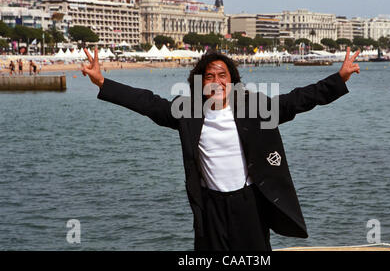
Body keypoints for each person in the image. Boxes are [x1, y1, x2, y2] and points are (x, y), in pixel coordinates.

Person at [81, 47, 360, 251]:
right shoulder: (187, 113)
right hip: (210, 204)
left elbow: (296, 100)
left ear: (232, 81)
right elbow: (147, 102)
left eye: (222, 75)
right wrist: (102, 82)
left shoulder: (254, 108)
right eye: (210, 76)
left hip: (249, 201)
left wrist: (339, 78)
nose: (217, 80)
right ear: (201, 83)